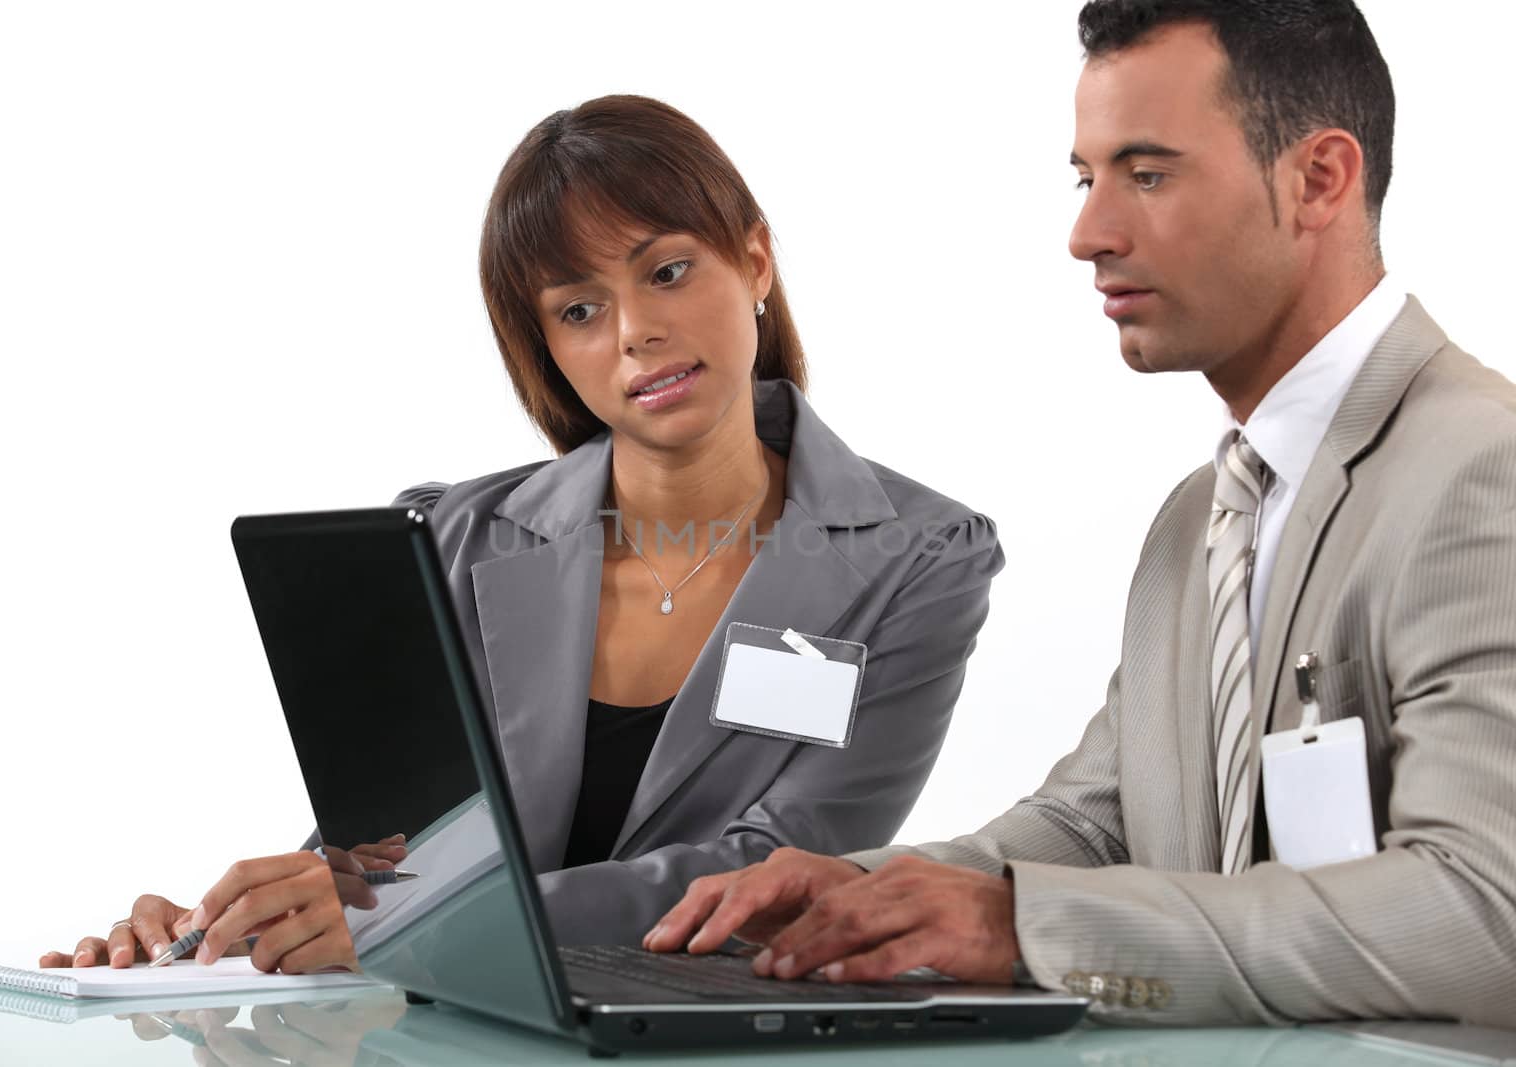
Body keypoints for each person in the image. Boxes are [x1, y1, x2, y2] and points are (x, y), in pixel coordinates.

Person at [647, 0, 1516, 1028]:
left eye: (1146, 174)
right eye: (1086, 176)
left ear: (1318, 178)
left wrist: (1028, 927)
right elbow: (1091, 825)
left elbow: (1481, 916)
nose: (1086, 234)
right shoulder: (1201, 516)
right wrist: (851, 887)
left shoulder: (1481, 468)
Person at [41, 95, 1003, 972]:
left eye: (667, 271)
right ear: (546, 346)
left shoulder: (920, 558)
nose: (634, 331)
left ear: (754, 260)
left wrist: (410, 926)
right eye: (580, 309)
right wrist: (228, 926)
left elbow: (776, 868)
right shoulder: (451, 538)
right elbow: (395, 857)